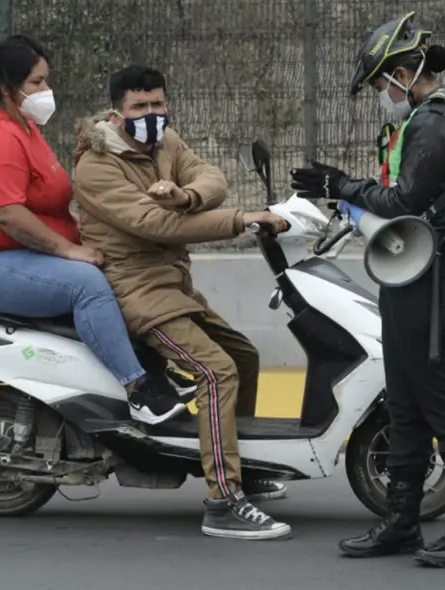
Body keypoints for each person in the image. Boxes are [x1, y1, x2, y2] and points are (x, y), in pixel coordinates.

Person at [289, 12, 445, 567]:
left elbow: (404, 200)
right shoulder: (428, 118)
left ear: (406, 72)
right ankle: (401, 522)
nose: (382, 93)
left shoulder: (432, 122)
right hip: (413, 270)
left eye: (382, 83)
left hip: (433, 273)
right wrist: (350, 193)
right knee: (404, 401)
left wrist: (340, 185)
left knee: (444, 404)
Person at [72, 64, 294, 541]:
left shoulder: (165, 142)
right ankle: (223, 499)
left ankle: (242, 465)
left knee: (244, 356)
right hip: (137, 290)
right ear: (117, 113)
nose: (151, 113)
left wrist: (185, 194)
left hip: (174, 285)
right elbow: (157, 227)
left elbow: (212, 178)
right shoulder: (97, 165)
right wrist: (243, 220)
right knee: (216, 372)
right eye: (140, 106)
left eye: (157, 104)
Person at [0, 35, 194, 427]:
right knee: (85, 283)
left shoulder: (24, 127)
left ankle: (151, 365)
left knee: (121, 268)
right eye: (37, 83)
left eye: (46, 81)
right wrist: (69, 250)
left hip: (18, 254)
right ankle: (138, 389)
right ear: (8, 87)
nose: (46, 91)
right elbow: (8, 213)